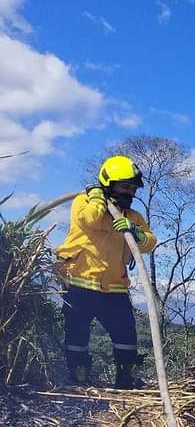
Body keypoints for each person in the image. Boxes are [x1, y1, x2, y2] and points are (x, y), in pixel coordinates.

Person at [55, 155, 156, 388]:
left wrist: (136, 232)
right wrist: (98, 198)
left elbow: (149, 243)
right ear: (108, 183)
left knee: (126, 336)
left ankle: (125, 379)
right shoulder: (84, 202)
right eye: (124, 186)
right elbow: (90, 220)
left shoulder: (133, 217)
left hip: (115, 288)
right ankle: (78, 378)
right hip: (80, 284)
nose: (129, 193)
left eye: (132, 188)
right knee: (77, 334)